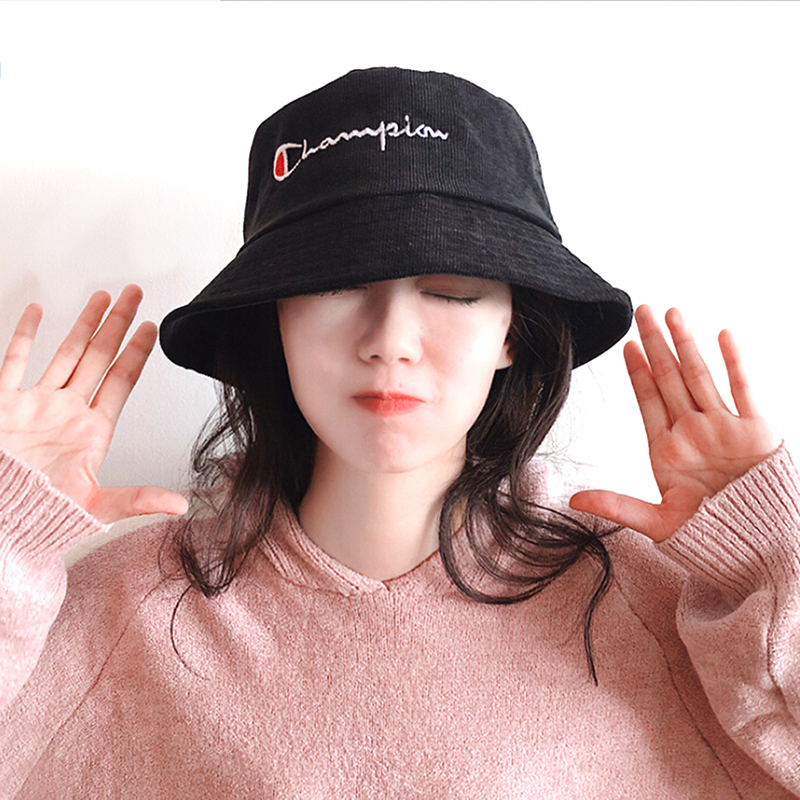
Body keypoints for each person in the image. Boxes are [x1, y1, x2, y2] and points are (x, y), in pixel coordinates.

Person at [0, 67, 797, 798]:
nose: (390, 339)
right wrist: (8, 535)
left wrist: (772, 559)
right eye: (335, 284)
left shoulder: (651, 608)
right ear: (275, 322)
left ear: (513, 332)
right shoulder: (126, 613)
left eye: (450, 290)